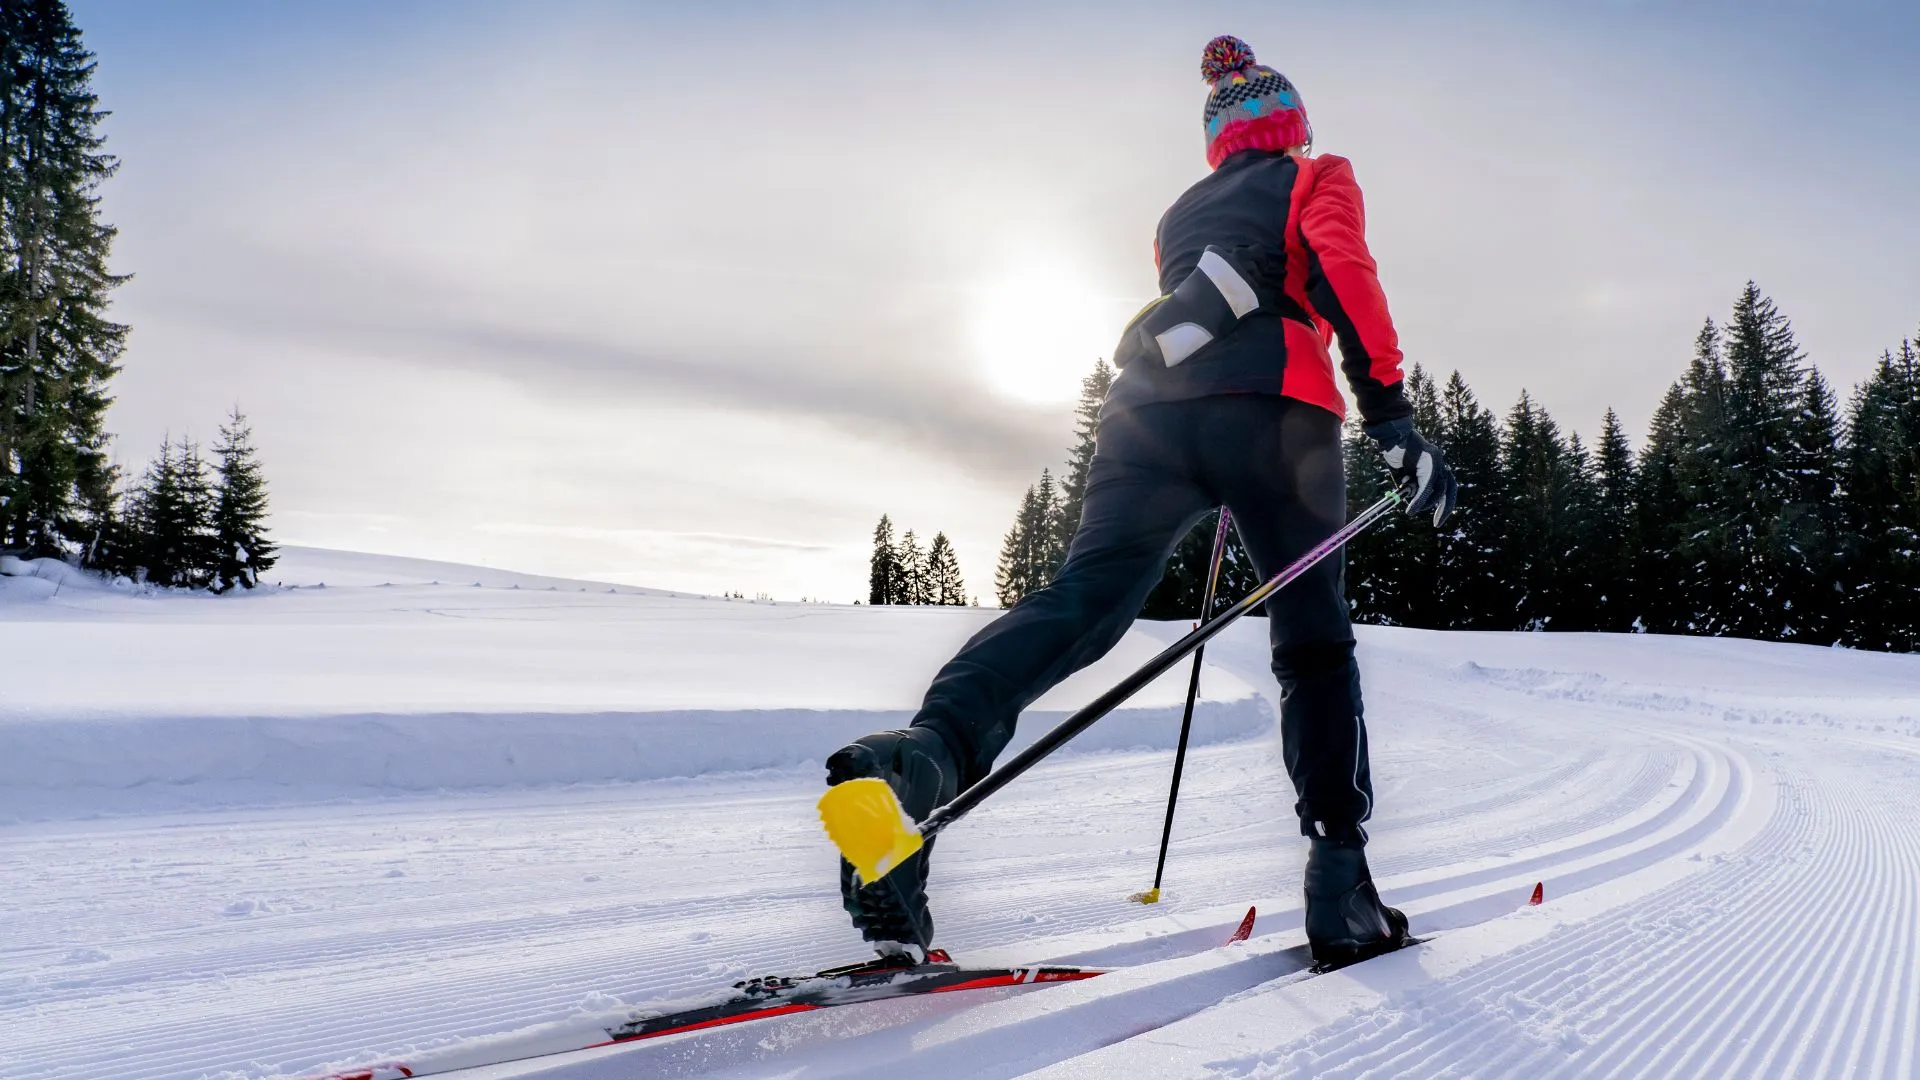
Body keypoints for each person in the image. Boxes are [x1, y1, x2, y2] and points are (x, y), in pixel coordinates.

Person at [826, 35, 1458, 970]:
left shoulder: (1178, 214)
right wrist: (1393, 415)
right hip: (1277, 416)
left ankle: (921, 759)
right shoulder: (1316, 175)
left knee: (1085, 601)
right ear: (1291, 121)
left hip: (1146, 415)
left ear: (1216, 139)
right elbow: (1339, 269)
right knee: (1314, 643)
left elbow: (1206, 304)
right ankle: (1341, 881)